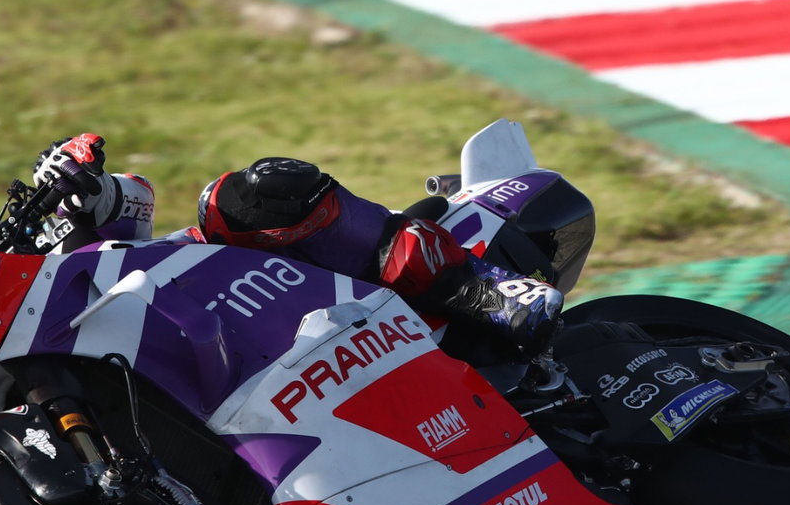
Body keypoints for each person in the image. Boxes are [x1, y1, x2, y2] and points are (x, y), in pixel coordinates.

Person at [32, 133, 563, 360]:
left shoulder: (86, 234)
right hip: (200, 360)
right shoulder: (28, 299)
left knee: (249, 197)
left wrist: (90, 191)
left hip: (249, 295)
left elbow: (137, 208)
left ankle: (489, 293)